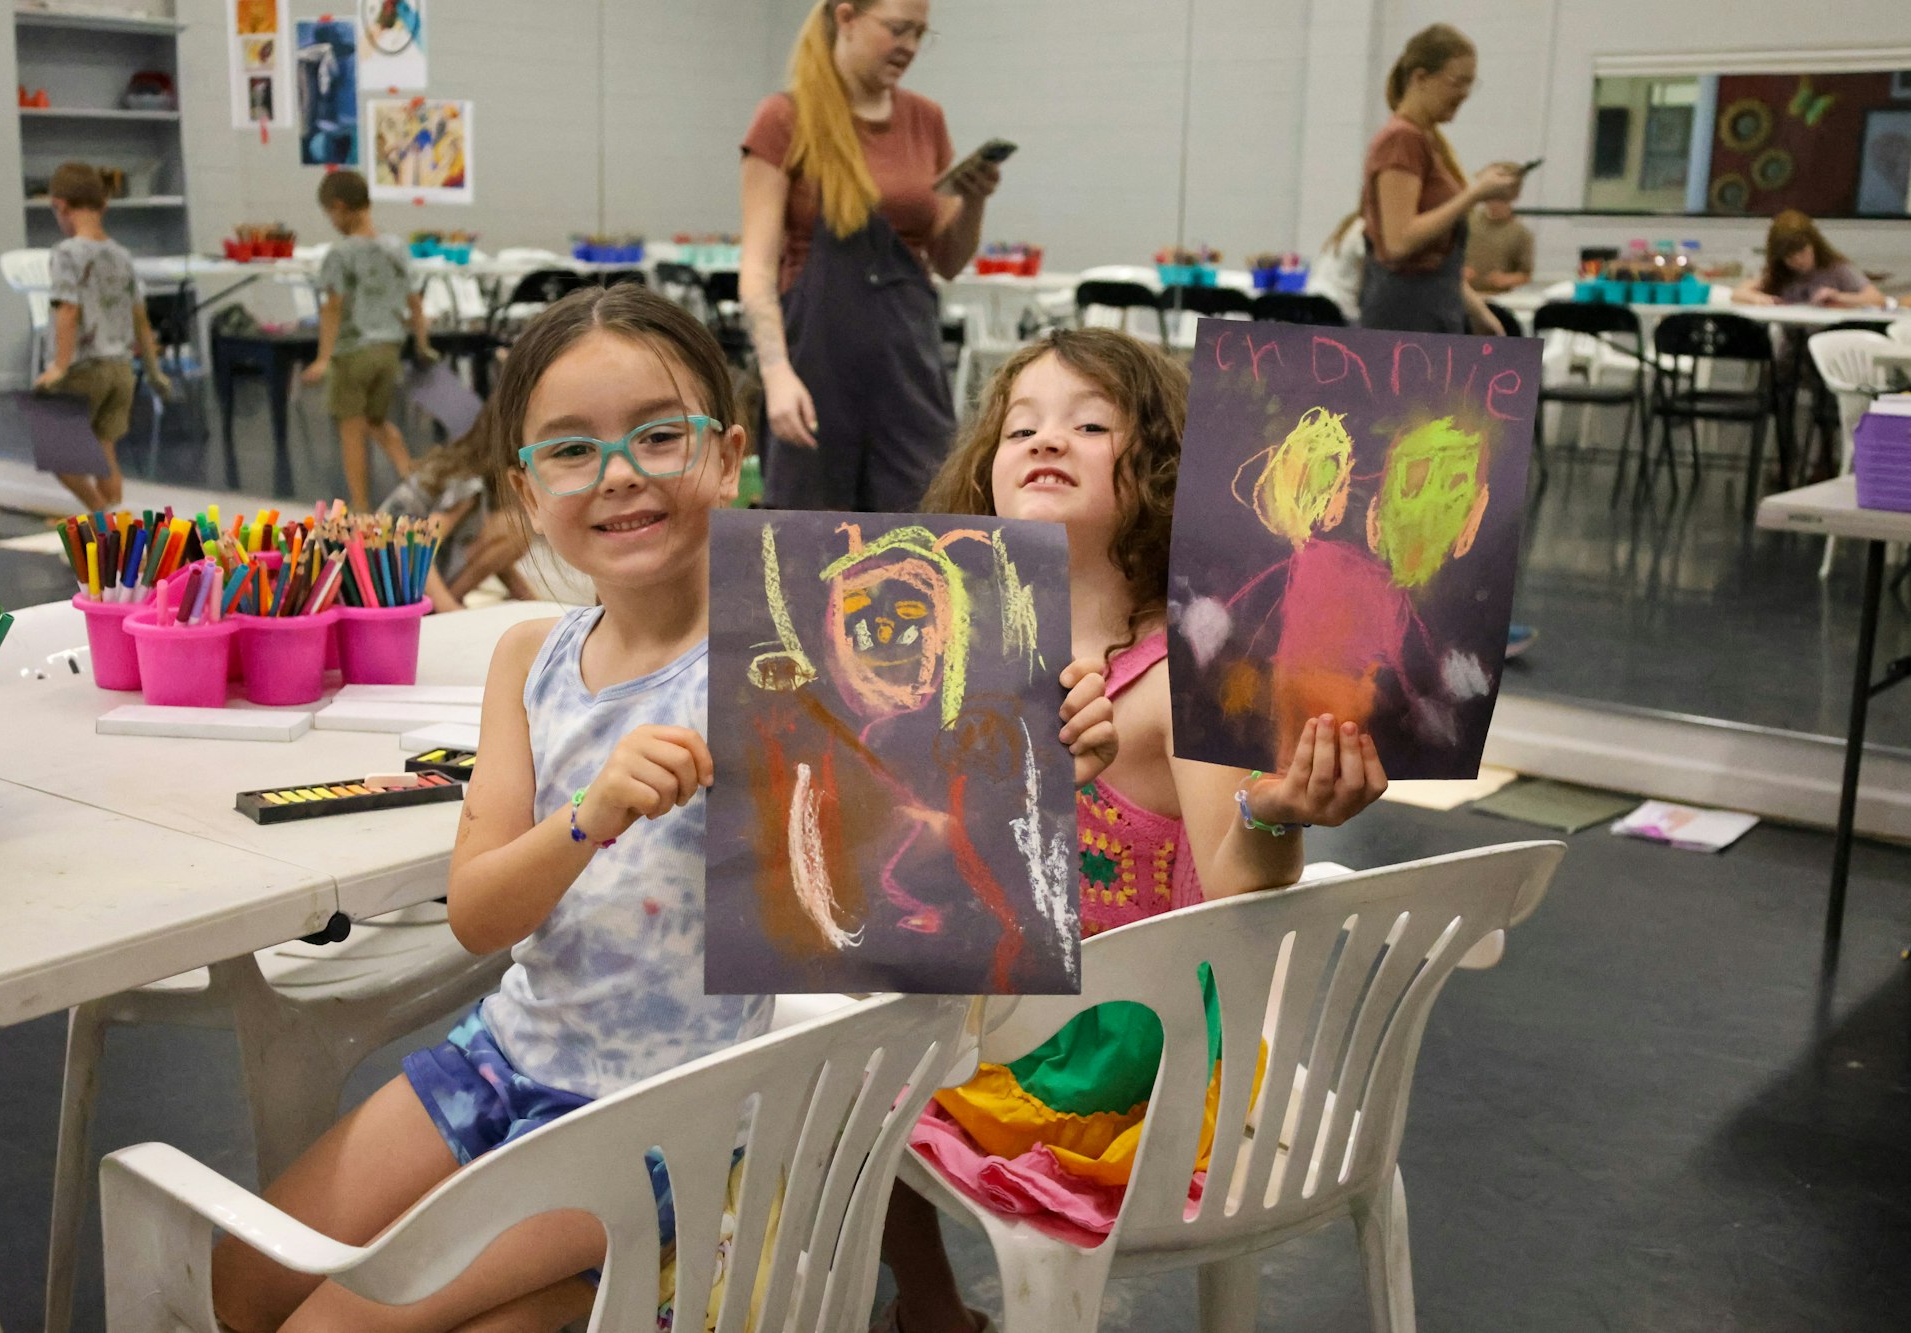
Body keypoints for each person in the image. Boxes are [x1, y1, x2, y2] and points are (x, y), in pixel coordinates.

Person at [208, 285, 1113, 1332]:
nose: (619, 473)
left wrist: (1048, 771)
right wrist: (589, 816)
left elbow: (923, 858)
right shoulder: (527, 658)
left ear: (728, 456)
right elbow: (478, 913)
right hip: (504, 1062)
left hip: (669, 1119)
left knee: (331, 1326)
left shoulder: (796, 656)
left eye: (657, 435)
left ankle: (634, 1270)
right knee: (245, 1282)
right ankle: (588, 1286)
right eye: (570, 450)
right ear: (524, 484)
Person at [875, 329, 1391, 1333]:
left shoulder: (1181, 667)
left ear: (1158, 467)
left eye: (1089, 422)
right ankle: (930, 1309)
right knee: (841, 1044)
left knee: (849, 1073)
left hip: (1129, 1060)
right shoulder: (971, 648)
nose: (1044, 438)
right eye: (1018, 424)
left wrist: (1274, 811)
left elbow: (1240, 881)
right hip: (1017, 1005)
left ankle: (924, 1313)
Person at [741, 0, 999, 511]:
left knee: (924, 521)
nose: (909, 47)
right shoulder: (784, 119)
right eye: (898, 29)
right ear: (846, 18)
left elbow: (946, 260)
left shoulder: (926, 120)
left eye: (920, 34)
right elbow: (755, 270)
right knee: (808, 537)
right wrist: (776, 374)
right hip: (814, 366)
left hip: (907, 360)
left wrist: (974, 200)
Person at [1358, 24, 1519, 336]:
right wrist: (1474, 195)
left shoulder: (1427, 141)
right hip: (1405, 317)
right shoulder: (1401, 141)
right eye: (1458, 82)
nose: (1464, 95)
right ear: (1420, 78)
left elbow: (1435, 262)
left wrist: (1479, 314)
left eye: (1471, 84)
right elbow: (1400, 241)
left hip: (1432, 309)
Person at [32, 162, 172, 510]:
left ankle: (101, 516)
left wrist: (60, 366)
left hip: (85, 367)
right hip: (121, 370)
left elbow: (67, 309)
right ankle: (118, 524)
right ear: (104, 205)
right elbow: (140, 316)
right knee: (104, 447)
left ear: (59, 205)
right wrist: (154, 371)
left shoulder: (66, 253)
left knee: (56, 452)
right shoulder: (122, 256)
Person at [301, 169, 435, 510]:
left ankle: (360, 509)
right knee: (375, 421)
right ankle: (413, 477)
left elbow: (332, 306)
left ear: (340, 206)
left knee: (352, 431)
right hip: (389, 350)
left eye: (330, 214)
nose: (331, 221)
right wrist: (422, 343)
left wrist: (323, 357)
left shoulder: (341, 254)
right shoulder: (395, 247)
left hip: (353, 351)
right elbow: (415, 300)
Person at [376, 415, 535, 612]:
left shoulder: (462, 468)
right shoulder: (467, 485)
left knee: (508, 528)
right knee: (515, 528)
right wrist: (448, 608)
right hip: (390, 573)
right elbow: (419, 545)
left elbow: (496, 557)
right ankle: (438, 604)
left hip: (392, 568)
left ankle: (440, 603)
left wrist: (529, 597)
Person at [1734, 210, 1885, 308]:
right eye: (1790, 257)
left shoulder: (1836, 269)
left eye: (1802, 252)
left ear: (1814, 244)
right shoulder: (1781, 273)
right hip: (1788, 346)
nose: (1798, 260)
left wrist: (1839, 297)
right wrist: (1756, 298)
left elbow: (1877, 299)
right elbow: (1738, 293)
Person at [1305, 209, 1367, 323]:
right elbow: (1370, 270)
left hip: (1314, 295)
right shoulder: (1362, 227)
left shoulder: (1349, 224)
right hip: (1336, 305)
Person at [1465, 195, 1535, 293]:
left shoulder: (1521, 233)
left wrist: (1506, 279)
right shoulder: (1468, 223)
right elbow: (1447, 255)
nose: (1495, 204)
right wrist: (1458, 271)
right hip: (1464, 295)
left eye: (1500, 199)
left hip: (1498, 297)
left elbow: (1526, 275)